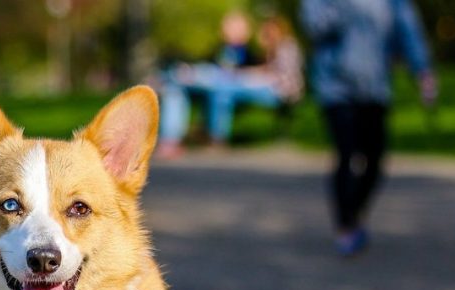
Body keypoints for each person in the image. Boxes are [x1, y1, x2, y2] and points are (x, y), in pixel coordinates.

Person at [301, 0, 437, 256]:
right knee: (346, 153)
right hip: (336, 87)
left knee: (375, 159)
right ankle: (345, 226)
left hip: (375, 86)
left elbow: (407, 28)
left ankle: (354, 212)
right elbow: (314, 26)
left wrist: (423, 71)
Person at [157, 13, 304, 156]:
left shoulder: (284, 47)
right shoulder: (224, 48)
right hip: (233, 84)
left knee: (221, 88)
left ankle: (214, 137)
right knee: (177, 88)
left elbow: (279, 77)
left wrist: (248, 75)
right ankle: (175, 139)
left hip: (281, 92)